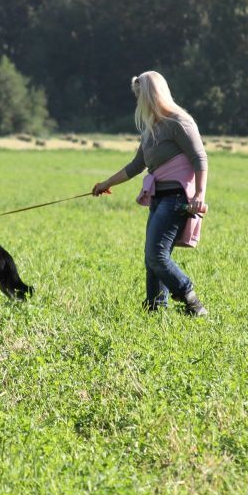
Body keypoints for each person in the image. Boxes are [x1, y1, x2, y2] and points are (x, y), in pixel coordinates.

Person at [92, 71, 209, 317]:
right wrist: (105, 183)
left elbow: (200, 158)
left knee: (156, 256)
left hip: (177, 199)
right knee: (152, 258)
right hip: (158, 198)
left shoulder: (179, 122)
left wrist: (199, 193)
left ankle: (192, 301)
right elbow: (136, 166)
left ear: (151, 96)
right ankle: (155, 310)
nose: (138, 103)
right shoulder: (151, 129)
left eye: (139, 97)